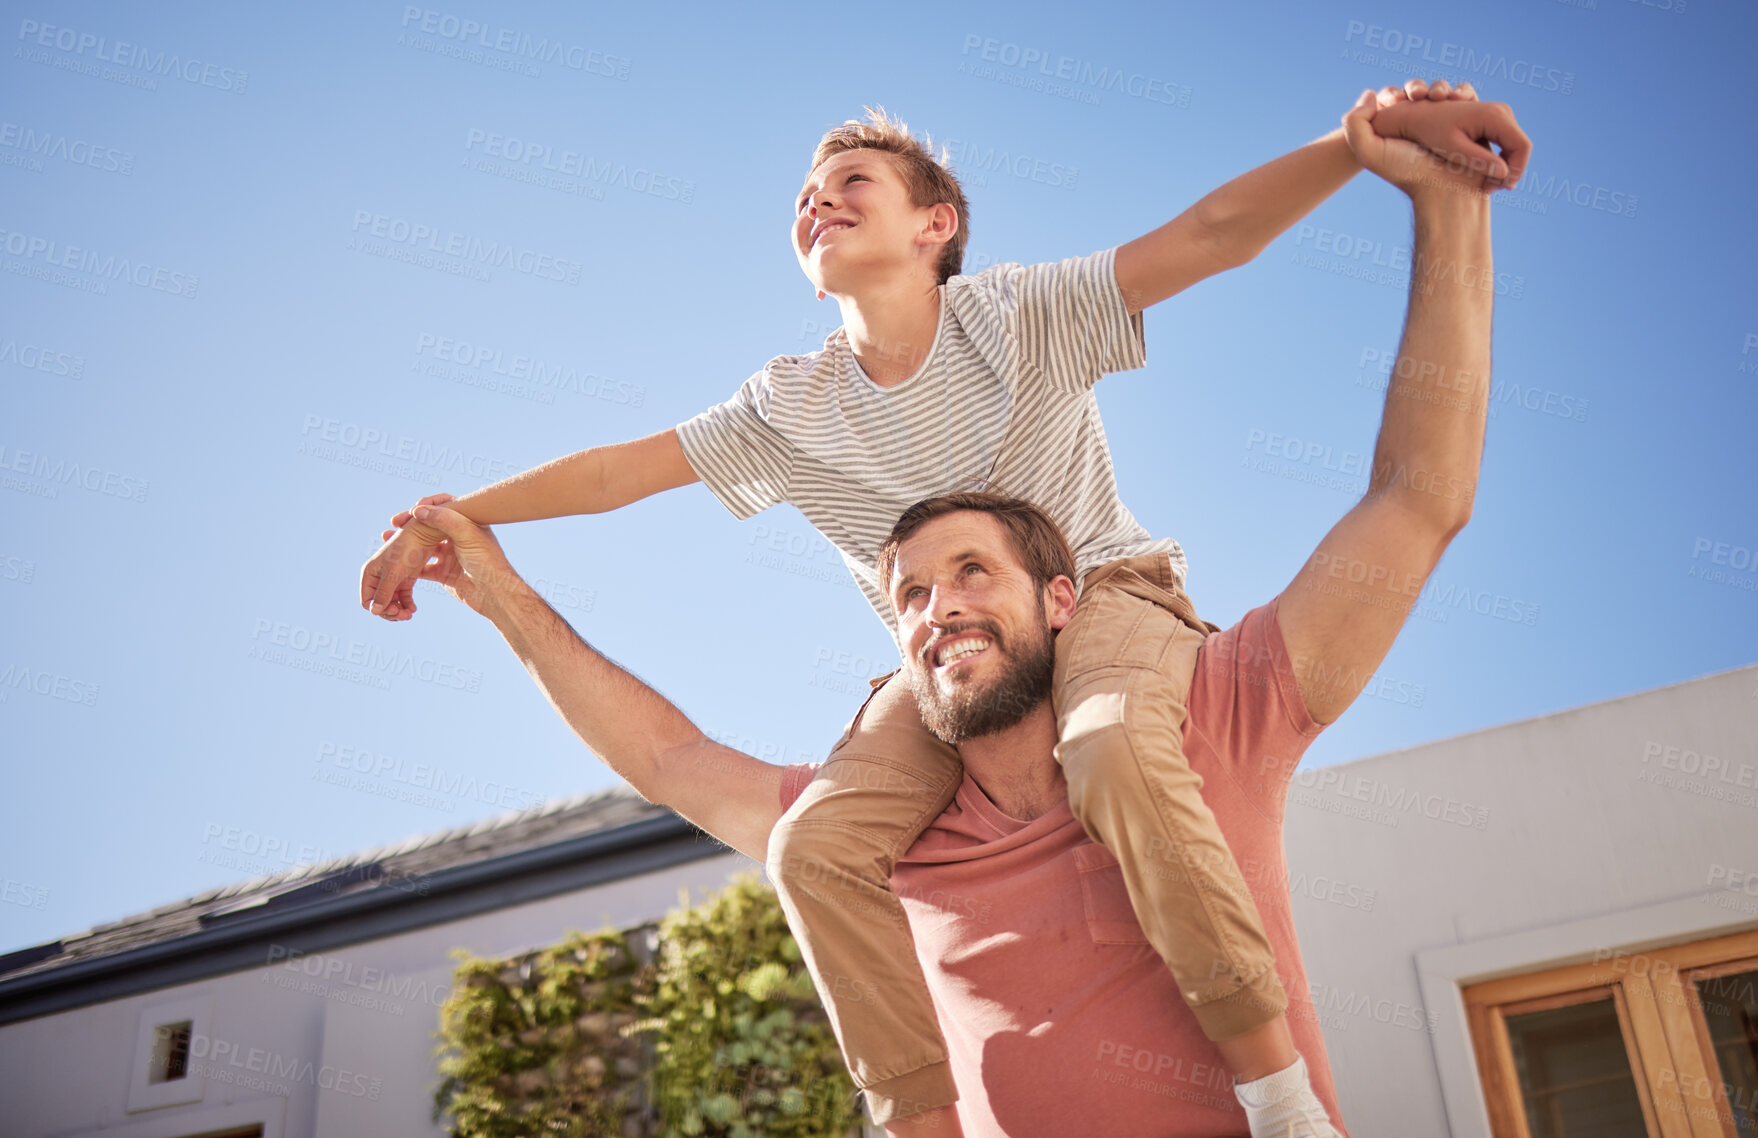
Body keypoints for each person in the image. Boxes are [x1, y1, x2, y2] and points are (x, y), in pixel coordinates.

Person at [360, 82, 1527, 1134]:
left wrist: (1358, 150)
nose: (818, 205)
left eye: (851, 183)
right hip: (945, 684)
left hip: (1111, 601)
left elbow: (1208, 242)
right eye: (804, 199)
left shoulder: (1015, 319)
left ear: (937, 225)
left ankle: (1274, 1092)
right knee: (815, 846)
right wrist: (458, 520)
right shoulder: (789, 408)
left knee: (1113, 738)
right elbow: (623, 477)